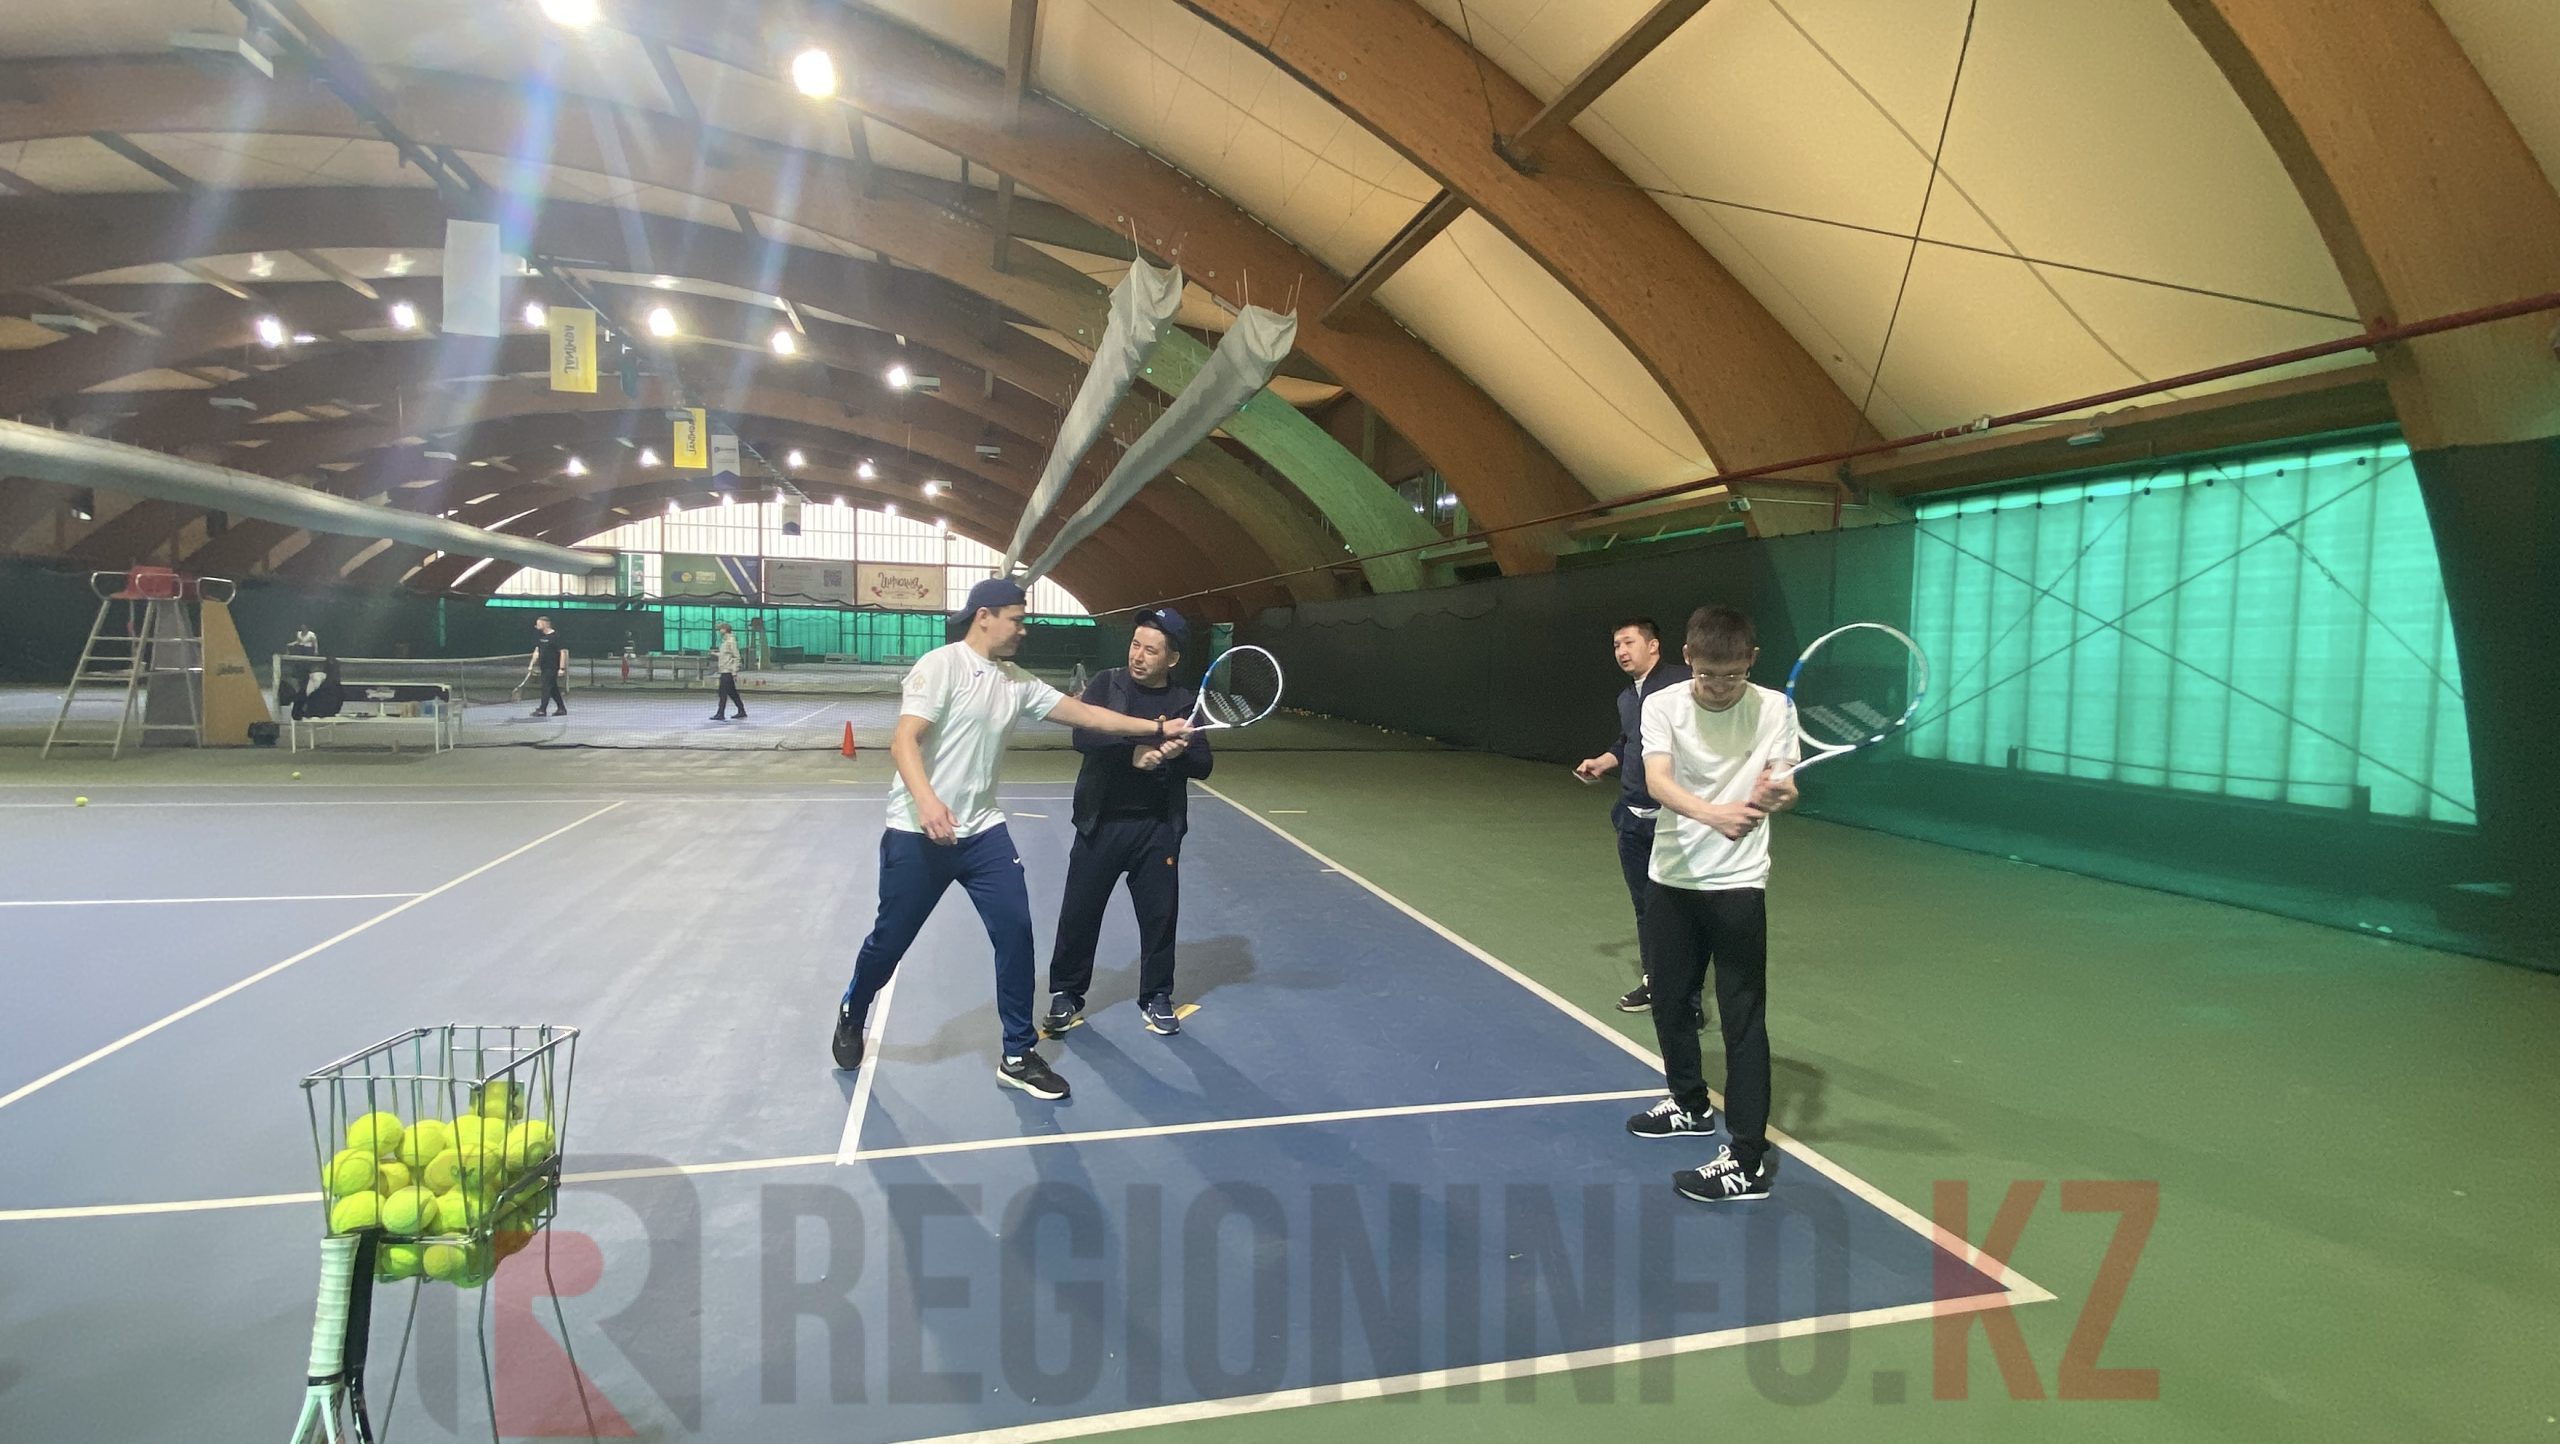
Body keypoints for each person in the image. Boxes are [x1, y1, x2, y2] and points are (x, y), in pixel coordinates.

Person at [832, 578, 1194, 1101]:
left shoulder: (1016, 682)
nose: (1024, 629)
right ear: (985, 616)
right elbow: (903, 740)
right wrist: (929, 802)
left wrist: (1157, 729)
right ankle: (853, 1009)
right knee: (890, 942)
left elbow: (1089, 716)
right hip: (917, 831)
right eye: (1017, 620)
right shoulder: (940, 666)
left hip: (983, 832)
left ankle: (1018, 1054)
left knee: (1016, 932)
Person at [1625, 606, 1800, 1203]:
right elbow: (1658, 781)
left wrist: (1778, 793)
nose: (1719, 687)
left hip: (1738, 884)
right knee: (1671, 1000)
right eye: (1706, 675)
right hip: (1671, 877)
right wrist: (1715, 814)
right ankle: (1689, 1104)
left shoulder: (1774, 707)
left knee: (1742, 1019)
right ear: (1687, 659)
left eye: (1731, 675)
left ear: (1751, 660)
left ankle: (1747, 1160)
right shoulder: (1662, 705)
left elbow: (1786, 783)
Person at [1042, 607, 1213, 1039]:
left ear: (1172, 658)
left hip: (1157, 830)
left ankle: (1156, 996)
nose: (1138, 655)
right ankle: (1066, 993)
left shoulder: (1184, 703)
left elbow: (1203, 764)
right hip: (1100, 824)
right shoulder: (1107, 684)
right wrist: (1138, 748)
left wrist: (1178, 755)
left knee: (1160, 917)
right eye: (1136, 645)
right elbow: (1084, 735)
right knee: (1079, 913)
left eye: (1151, 650)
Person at [1572, 618, 1692, 1016]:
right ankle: (1655, 982)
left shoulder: (1682, 683)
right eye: (1616, 646)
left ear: (1653, 645)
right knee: (1646, 908)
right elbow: (1629, 741)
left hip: (1675, 822)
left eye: (1628, 642)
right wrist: (1603, 761)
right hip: (1632, 821)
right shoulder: (1627, 697)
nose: (1621, 652)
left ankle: (1688, 1000)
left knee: (1681, 912)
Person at [525, 616, 569, 717]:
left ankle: (542, 709)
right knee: (553, 688)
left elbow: (563, 652)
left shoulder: (556, 636)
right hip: (543, 667)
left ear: (545, 624)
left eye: (538, 624)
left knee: (546, 687)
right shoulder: (540, 636)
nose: (536, 626)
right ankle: (561, 708)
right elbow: (537, 651)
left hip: (552, 667)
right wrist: (531, 664)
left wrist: (561, 668)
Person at [710, 622, 747, 721]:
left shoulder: (731, 641)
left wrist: (734, 671)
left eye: (720, 629)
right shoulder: (725, 641)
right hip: (724, 670)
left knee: (722, 692)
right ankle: (741, 710)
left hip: (727, 671)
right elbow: (725, 655)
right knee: (732, 693)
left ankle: (720, 713)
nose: (719, 631)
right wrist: (715, 654)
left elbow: (736, 656)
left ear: (725, 629)